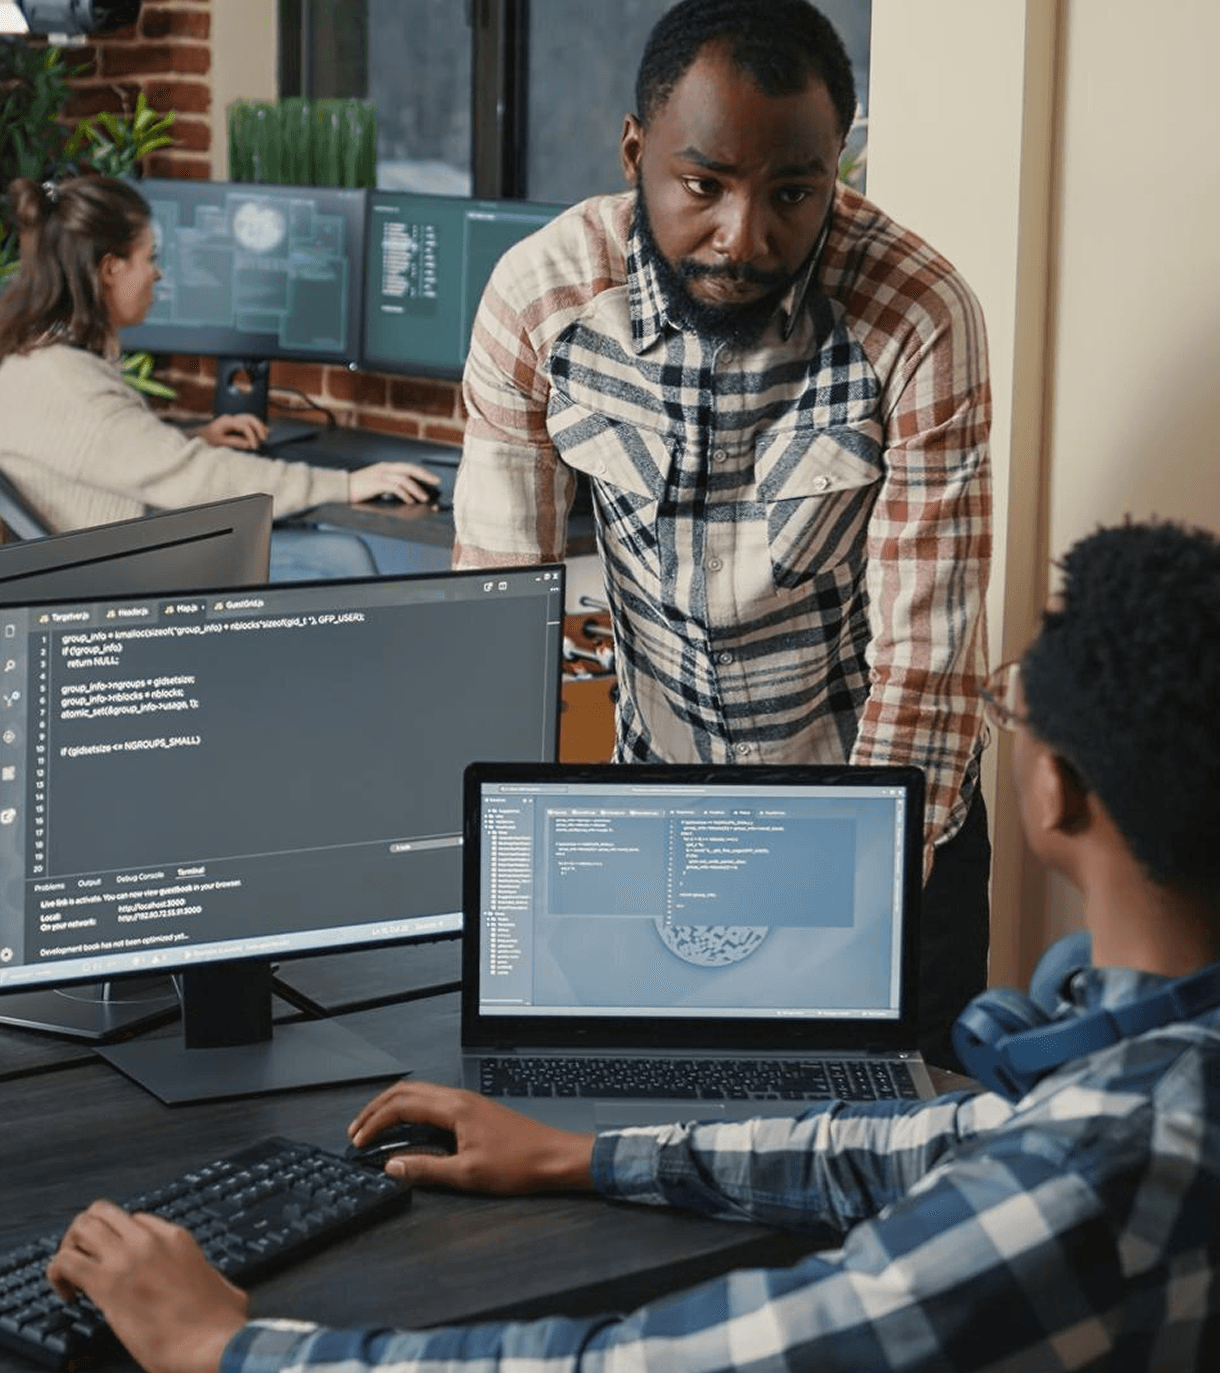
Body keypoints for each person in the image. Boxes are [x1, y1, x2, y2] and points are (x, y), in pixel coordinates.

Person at [45, 517, 1220, 1371]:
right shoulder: (1155, 1081)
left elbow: (639, 1365)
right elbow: (941, 1136)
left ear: (1052, 790)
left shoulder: (1112, 1156)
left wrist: (225, 1345)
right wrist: (584, 1157)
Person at [452, 0, 992, 1066]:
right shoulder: (541, 298)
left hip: (882, 824)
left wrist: (844, 905)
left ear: (835, 169)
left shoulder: (918, 315)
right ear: (632, 150)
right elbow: (496, 621)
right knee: (635, 1146)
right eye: (701, 185)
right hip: (653, 822)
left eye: (795, 192)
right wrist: (516, 888)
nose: (742, 237)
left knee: (884, 1162)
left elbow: (926, 670)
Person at [0, 175, 439, 581]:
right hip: (127, 582)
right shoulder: (69, 387)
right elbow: (200, 480)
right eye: (149, 257)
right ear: (111, 269)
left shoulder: (35, 358)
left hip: (110, 556)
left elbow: (102, 449)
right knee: (339, 557)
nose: (157, 272)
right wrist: (346, 484)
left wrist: (196, 437)